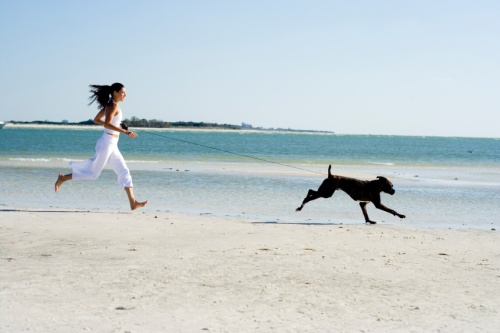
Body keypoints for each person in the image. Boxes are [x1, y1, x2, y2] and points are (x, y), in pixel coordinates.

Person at [54, 83, 148, 211]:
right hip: (106, 143)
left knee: (124, 171)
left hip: (112, 144)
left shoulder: (112, 105)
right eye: (123, 92)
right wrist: (124, 131)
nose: (125, 95)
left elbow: (97, 119)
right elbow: (107, 124)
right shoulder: (112, 105)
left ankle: (133, 202)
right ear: (115, 92)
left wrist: (119, 126)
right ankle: (63, 177)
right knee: (93, 173)